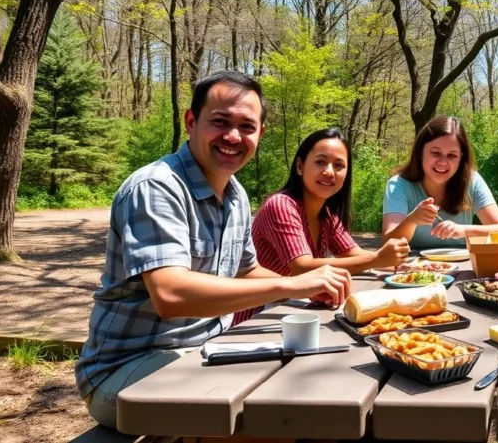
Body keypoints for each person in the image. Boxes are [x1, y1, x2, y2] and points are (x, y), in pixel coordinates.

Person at [75, 71, 352, 430]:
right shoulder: (156, 187)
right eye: (220, 122)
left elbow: (247, 270)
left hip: (204, 351)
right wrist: (294, 285)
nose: (233, 137)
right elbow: (172, 295)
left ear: (260, 135)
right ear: (191, 121)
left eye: (247, 127)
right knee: (266, 411)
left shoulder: (235, 196)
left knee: (313, 381)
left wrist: (313, 289)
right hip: (125, 371)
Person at [232, 129, 411, 324]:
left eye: (339, 165)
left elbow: (356, 255)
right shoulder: (281, 205)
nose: (329, 171)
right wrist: (376, 258)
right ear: (300, 166)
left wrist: (407, 267)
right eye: (320, 162)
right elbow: (302, 267)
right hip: (254, 317)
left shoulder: (326, 216)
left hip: (293, 312)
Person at [382, 116, 498, 249]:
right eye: (435, 153)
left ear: (461, 158)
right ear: (421, 152)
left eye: (452, 155)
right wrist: (412, 220)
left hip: (465, 266)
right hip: (415, 267)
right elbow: (388, 242)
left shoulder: (472, 181)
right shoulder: (398, 185)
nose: (443, 162)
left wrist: (464, 230)